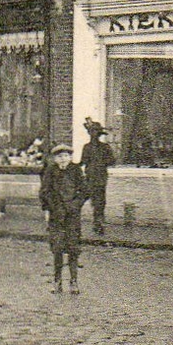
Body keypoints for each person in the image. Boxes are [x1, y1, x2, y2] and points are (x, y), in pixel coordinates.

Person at [40, 143, 87, 293]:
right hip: (57, 216)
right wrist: (49, 207)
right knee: (58, 249)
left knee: (73, 248)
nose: (63, 159)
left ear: (70, 157)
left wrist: (75, 205)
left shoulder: (76, 170)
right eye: (60, 157)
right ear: (55, 158)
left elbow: (85, 191)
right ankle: (57, 282)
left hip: (72, 216)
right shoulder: (50, 172)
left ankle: (74, 282)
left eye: (66, 156)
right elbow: (44, 192)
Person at [80, 119, 114, 236]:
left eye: (96, 132)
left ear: (99, 134)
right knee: (84, 199)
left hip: (100, 177)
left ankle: (98, 223)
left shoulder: (105, 147)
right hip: (89, 177)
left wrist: (102, 162)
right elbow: (83, 161)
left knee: (99, 201)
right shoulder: (87, 147)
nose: (93, 134)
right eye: (91, 132)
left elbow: (112, 161)